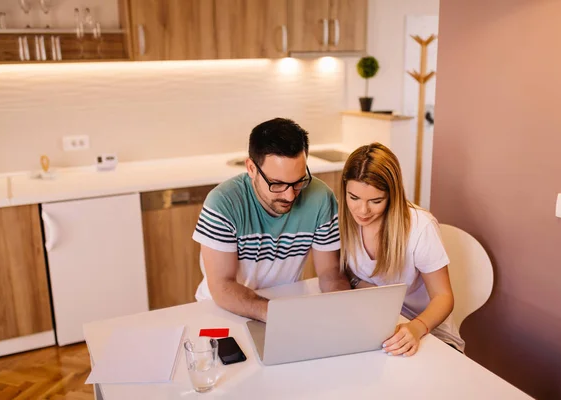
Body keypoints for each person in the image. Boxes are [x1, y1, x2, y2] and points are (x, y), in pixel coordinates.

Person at [192, 118, 350, 322]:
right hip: (223, 310)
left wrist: (343, 307)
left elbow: (330, 273)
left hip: (283, 304)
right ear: (251, 168)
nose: (290, 196)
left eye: (298, 182)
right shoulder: (222, 204)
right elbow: (222, 286)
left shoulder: (320, 198)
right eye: (277, 184)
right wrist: (278, 314)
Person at [340, 142, 465, 355]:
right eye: (354, 198)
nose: (362, 210)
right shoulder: (342, 219)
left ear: (393, 195)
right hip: (377, 324)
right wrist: (363, 288)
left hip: (428, 332)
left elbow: (443, 297)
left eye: (376, 201)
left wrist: (416, 328)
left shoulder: (419, 227)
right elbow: (344, 272)